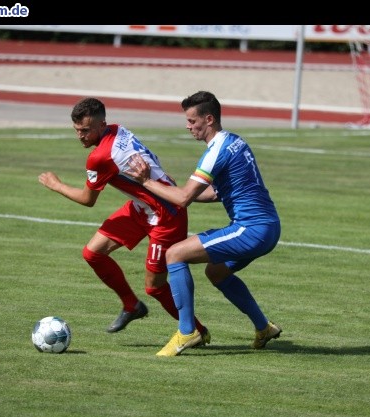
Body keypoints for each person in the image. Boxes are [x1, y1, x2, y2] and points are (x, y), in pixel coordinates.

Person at [38, 97, 210, 344]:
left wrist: (56, 185)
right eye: (77, 130)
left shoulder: (100, 157)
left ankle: (197, 331)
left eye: (86, 130)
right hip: (142, 207)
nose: (81, 136)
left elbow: (88, 200)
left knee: (155, 287)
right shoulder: (119, 130)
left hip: (165, 216)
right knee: (92, 253)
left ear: (101, 125)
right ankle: (132, 305)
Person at [126, 90, 282, 357]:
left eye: (192, 121)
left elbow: (185, 199)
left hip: (251, 229)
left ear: (208, 119)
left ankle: (187, 331)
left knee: (174, 254)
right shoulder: (235, 141)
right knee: (216, 272)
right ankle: (263, 327)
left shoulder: (216, 151)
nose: (188, 127)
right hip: (269, 227)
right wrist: (174, 189)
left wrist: (146, 182)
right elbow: (217, 193)